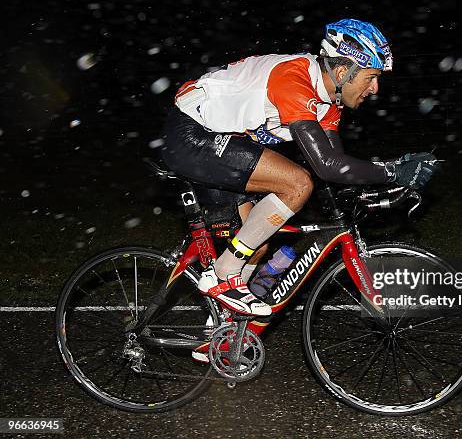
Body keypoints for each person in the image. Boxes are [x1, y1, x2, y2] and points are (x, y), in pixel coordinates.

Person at [161, 19, 438, 321]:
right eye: (371, 77)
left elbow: (337, 167)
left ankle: (223, 334)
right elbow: (327, 165)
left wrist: (383, 187)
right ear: (343, 72)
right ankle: (223, 273)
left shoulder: (328, 104)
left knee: (257, 243)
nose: (374, 88)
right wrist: (392, 172)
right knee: (296, 184)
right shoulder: (294, 78)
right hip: (190, 133)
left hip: (223, 140)